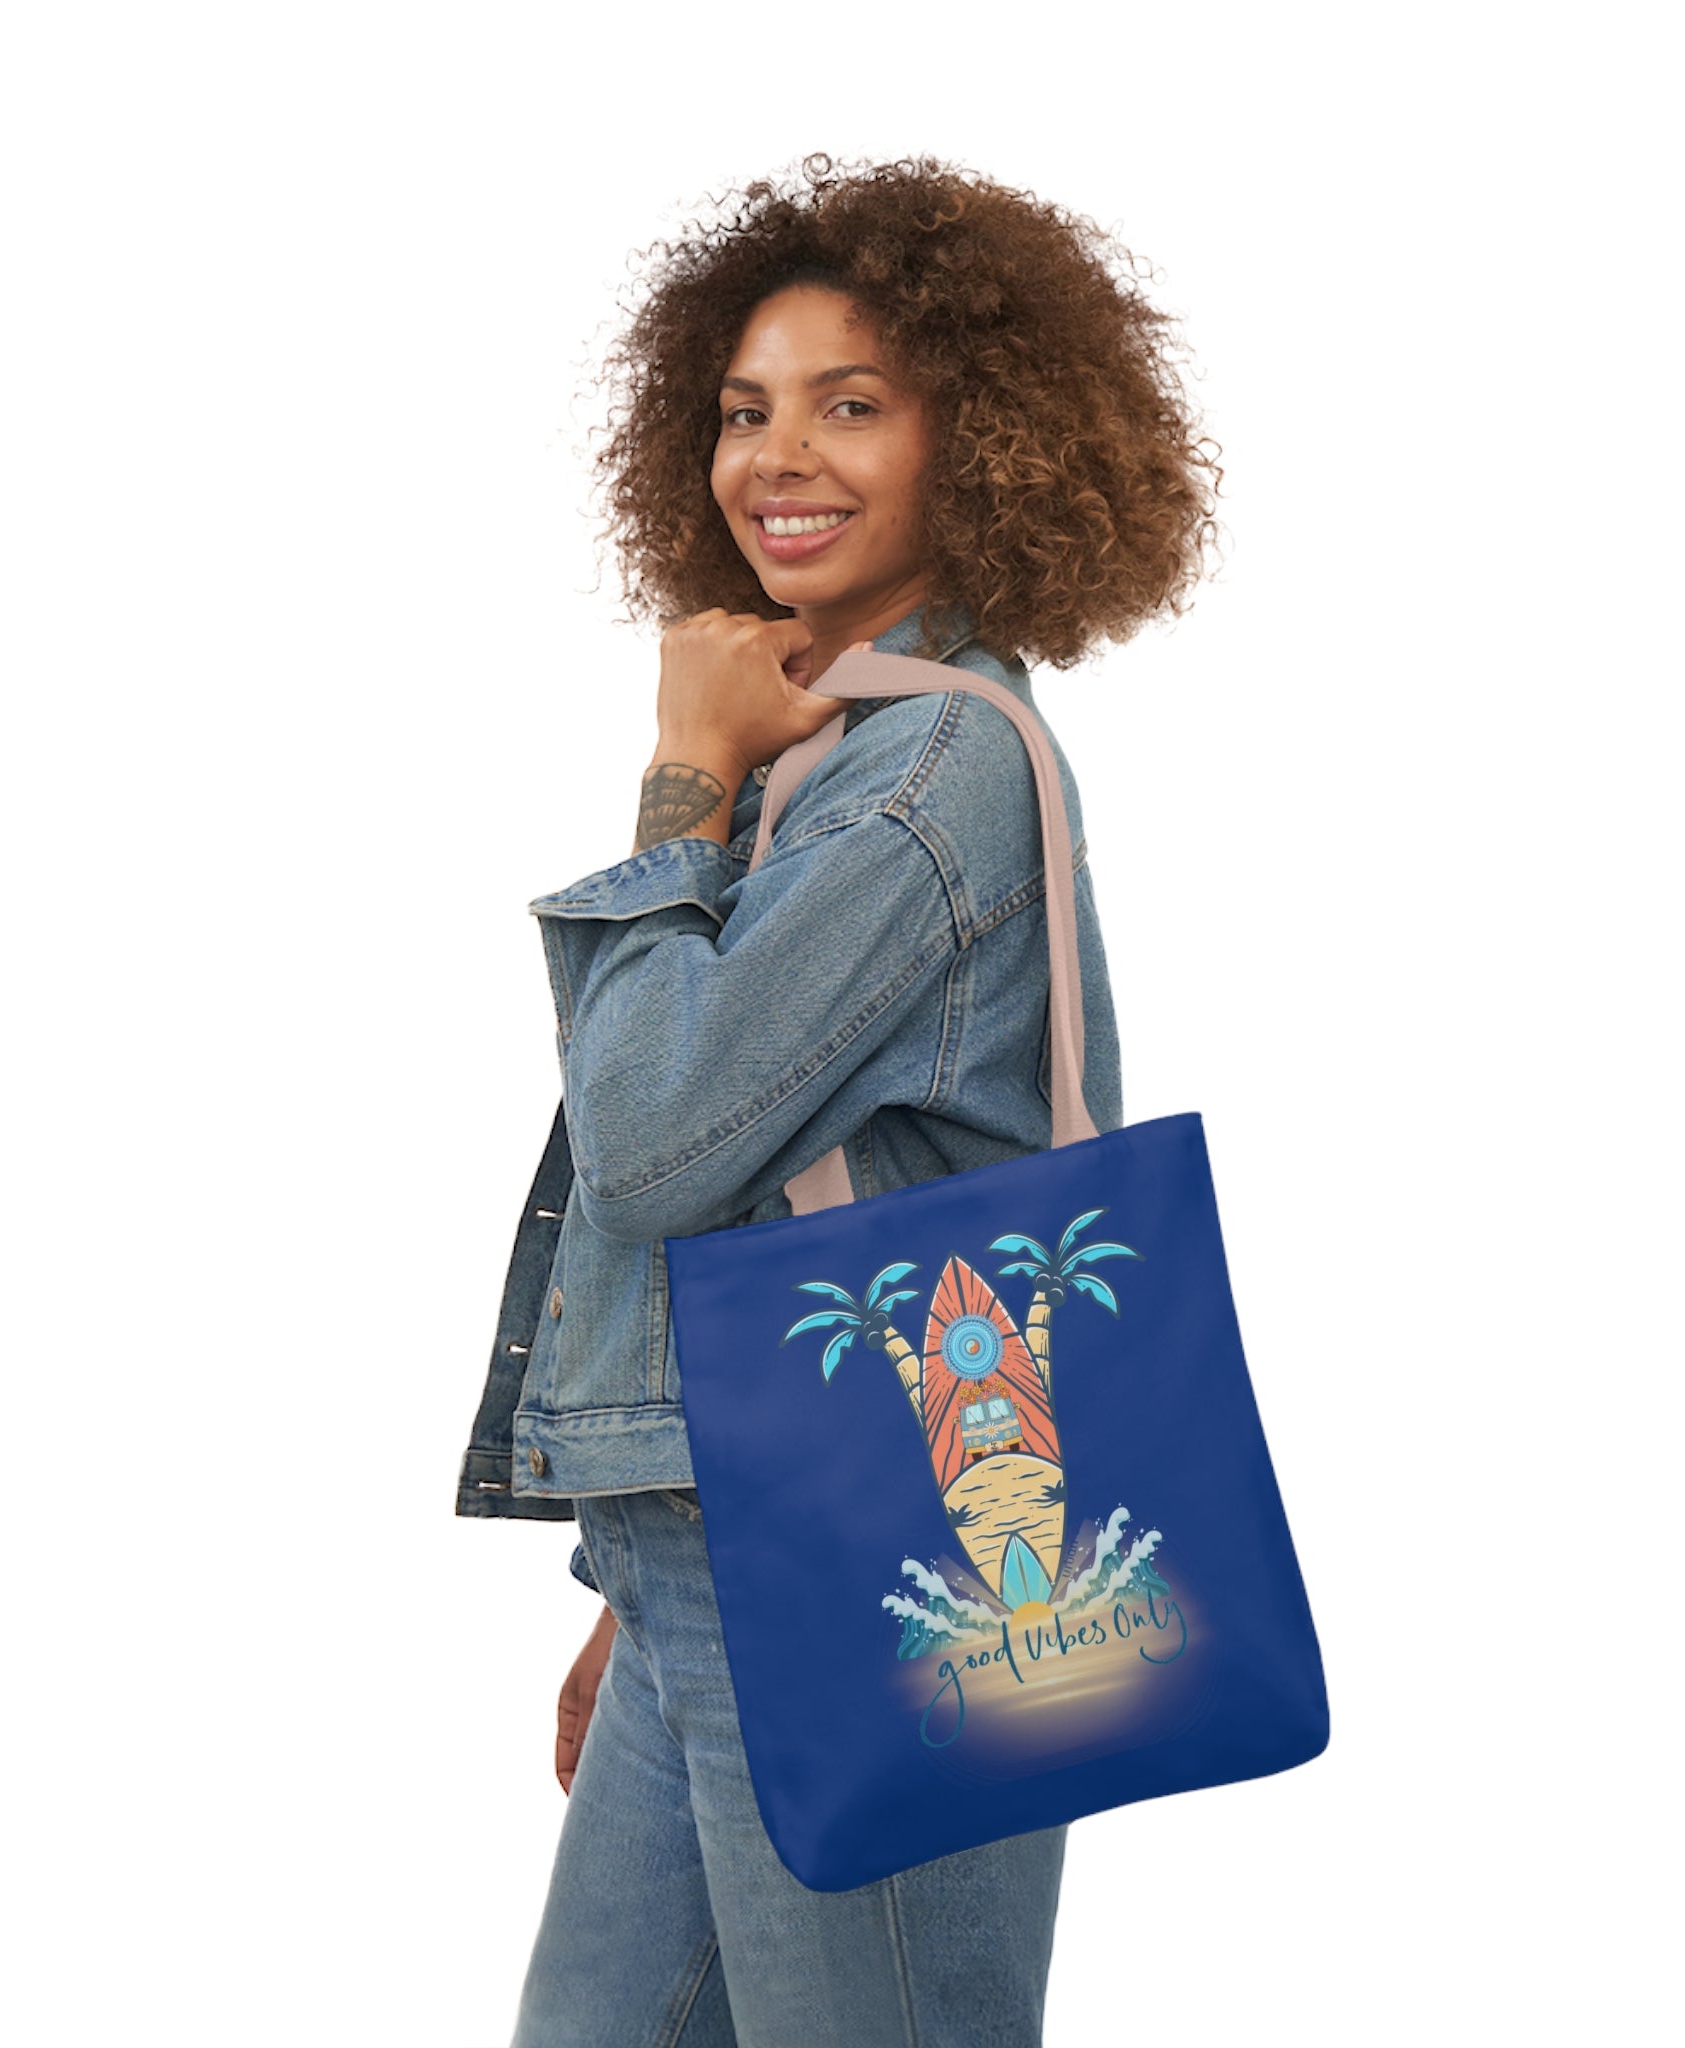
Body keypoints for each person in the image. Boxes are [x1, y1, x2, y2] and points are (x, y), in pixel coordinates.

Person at [453, 152, 1221, 2046]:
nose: (774, 458)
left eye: (850, 405)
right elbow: (763, 1203)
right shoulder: (847, 746)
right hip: (723, 1542)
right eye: (741, 411)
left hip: (895, 1562)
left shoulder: (923, 776)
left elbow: (659, 1144)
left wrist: (678, 785)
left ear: (988, 439)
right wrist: (641, 1566)